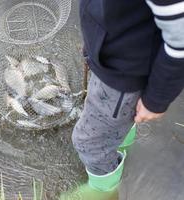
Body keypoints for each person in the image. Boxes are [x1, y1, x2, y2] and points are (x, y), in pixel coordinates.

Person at [61, 0, 184, 199]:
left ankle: (104, 189)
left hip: (123, 76)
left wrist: (156, 100)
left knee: (88, 142)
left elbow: (180, 42)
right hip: (110, 59)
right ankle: (121, 142)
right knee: (115, 123)